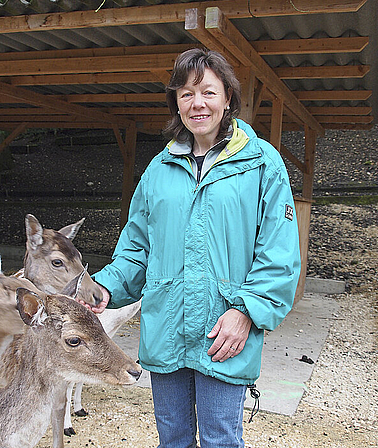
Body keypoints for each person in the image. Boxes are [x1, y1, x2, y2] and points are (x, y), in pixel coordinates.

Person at [90, 48, 301, 448]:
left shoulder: (262, 164)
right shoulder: (159, 168)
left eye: (208, 91)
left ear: (227, 98)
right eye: (186, 94)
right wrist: (103, 288)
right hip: (166, 326)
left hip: (223, 331)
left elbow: (279, 255)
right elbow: (136, 249)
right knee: (172, 440)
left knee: (221, 439)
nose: (197, 103)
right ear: (176, 103)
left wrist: (247, 312)